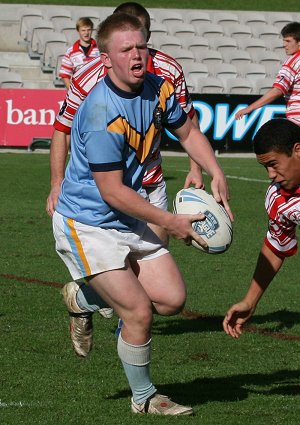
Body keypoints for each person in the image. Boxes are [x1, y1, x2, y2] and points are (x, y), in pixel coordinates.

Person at [53, 12, 232, 415]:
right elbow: (111, 191)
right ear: (106, 59)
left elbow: (186, 130)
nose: (137, 55)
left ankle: (83, 297)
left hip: (127, 215)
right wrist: (170, 222)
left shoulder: (157, 88)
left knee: (170, 300)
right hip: (88, 223)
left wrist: (216, 171)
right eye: (126, 49)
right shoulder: (101, 114)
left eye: (141, 46)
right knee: (136, 311)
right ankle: (145, 398)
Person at [223, 118, 300, 339]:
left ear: (297, 150)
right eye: (265, 167)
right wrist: (250, 301)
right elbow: (276, 247)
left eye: (273, 164)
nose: (270, 175)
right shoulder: (278, 199)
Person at [235, 22, 300, 126]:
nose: (284, 45)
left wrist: (249, 108)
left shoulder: (293, 62)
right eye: (284, 40)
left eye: (288, 41)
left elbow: (278, 90)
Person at [59, 17, 100, 89]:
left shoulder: (100, 49)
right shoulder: (71, 52)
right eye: (83, 30)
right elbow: (65, 75)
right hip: (79, 92)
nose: (86, 33)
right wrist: (72, 93)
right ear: (78, 31)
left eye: (89, 30)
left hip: (97, 91)